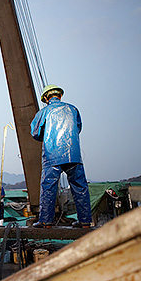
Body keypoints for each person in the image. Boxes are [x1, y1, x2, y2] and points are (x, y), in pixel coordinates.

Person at [30, 84, 92, 229]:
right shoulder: (73, 109)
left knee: (48, 187)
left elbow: (35, 132)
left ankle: (46, 221)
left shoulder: (44, 112)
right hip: (73, 154)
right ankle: (85, 221)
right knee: (80, 186)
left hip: (52, 154)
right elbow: (78, 128)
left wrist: (46, 136)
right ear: (60, 95)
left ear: (46, 98)